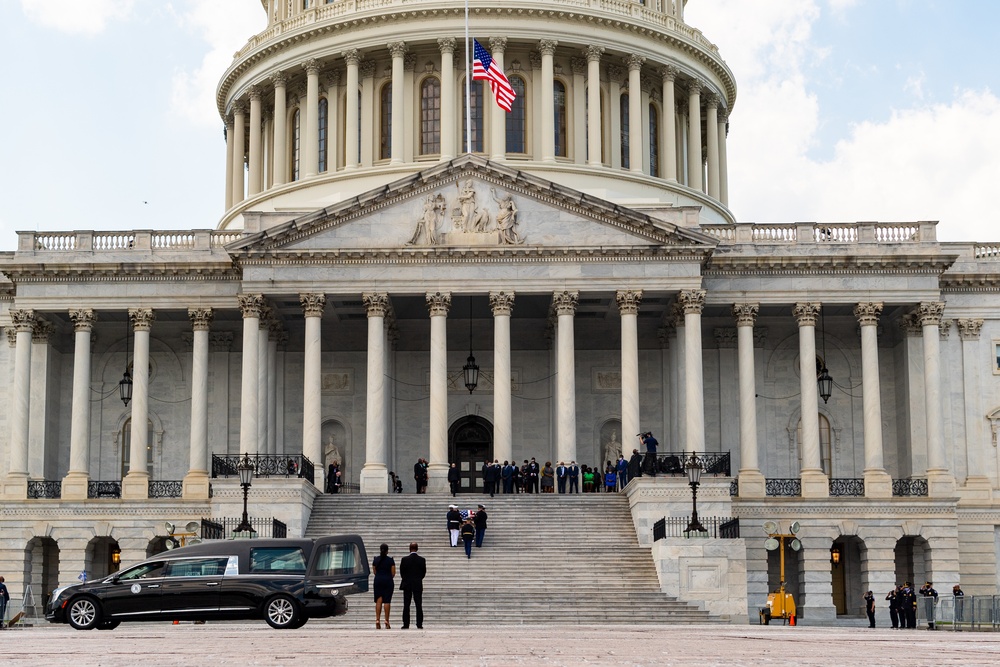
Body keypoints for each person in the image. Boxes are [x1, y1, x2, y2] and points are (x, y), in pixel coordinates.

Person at [399, 543, 426, 629]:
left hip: (407, 584)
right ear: (417, 549)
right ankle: (419, 623)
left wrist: (406, 579)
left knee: (406, 604)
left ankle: (406, 623)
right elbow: (423, 572)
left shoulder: (404, 559)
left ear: (409, 549)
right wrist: (418, 579)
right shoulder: (422, 560)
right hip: (417, 583)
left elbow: (402, 572)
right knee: (418, 604)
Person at [372, 543, 395, 629]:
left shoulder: (376, 560)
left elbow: (374, 572)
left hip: (378, 580)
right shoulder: (390, 560)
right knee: (387, 601)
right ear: (387, 551)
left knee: (378, 600)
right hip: (388, 580)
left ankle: (377, 619)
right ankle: (386, 620)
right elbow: (393, 573)